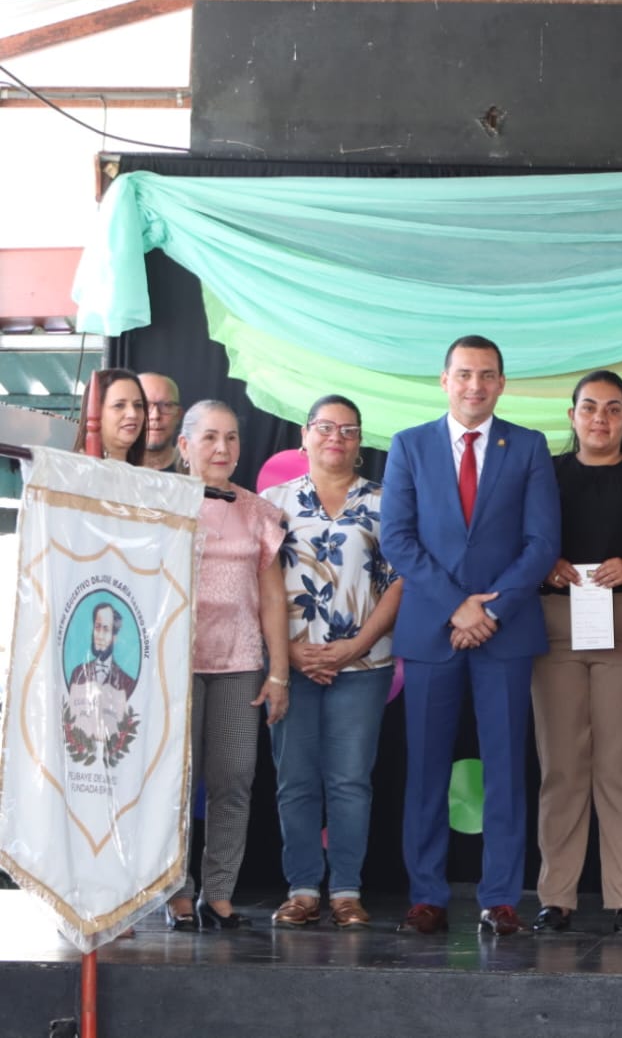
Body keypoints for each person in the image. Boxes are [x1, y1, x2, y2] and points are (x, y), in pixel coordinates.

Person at [381, 335, 560, 937]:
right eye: (464, 374)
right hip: (433, 631)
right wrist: (457, 607)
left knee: (507, 768)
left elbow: (541, 544)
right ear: (444, 380)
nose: (475, 385)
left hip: (504, 634)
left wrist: (491, 612)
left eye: (487, 375)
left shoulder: (529, 447)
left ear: (503, 383)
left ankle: (501, 897)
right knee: (426, 769)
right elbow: (398, 539)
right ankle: (427, 894)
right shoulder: (409, 446)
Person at [262, 395, 403, 931]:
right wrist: (289, 652)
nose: (336, 437)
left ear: (360, 442)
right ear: (305, 435)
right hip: (290, 663)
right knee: (294, 780)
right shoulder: (272, 503)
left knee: (349, 781)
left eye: (348, 429)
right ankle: (301, 889)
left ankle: (346, 891)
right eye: (325, 427)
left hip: (363, 666)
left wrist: (353, 646)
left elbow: (399, 582)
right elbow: (259, 584)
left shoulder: (388, 502)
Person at [530, 371, 622, 935]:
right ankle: (556, 895)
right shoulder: (544, 474)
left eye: (612, 409)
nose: (600, 418)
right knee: (562, 767)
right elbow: (519, 539)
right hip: (555, 627)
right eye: (589, 408)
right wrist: (544, 565)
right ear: (572, 415)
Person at [165, 400, 290, 931]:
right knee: (171, 784)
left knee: (234, 779)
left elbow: (273, 596)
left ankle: (218, 892)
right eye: (211, 438)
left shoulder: (258, 510)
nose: (223, 449)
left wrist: (278, 671)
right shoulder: (158, 502)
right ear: (185, 445)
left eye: (233, 438)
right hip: (172, 664)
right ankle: (174, 891)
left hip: (239, 659)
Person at [65, 603, 138, 741]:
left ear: (114, 637)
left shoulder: (127, 683)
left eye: (106, 629)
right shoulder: (77, 675)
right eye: (97, 627)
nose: (99, 635)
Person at [73, 368, 147, 467]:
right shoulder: (74, 471)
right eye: (119, 405)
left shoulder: (147, 476)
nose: (133, 414)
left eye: (138, 405)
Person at [139, 373, 183, 472]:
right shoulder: (110, 470)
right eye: (144, 405)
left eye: (166, 405)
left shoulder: (194, 471)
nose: (155, 416)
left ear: (179, 415)